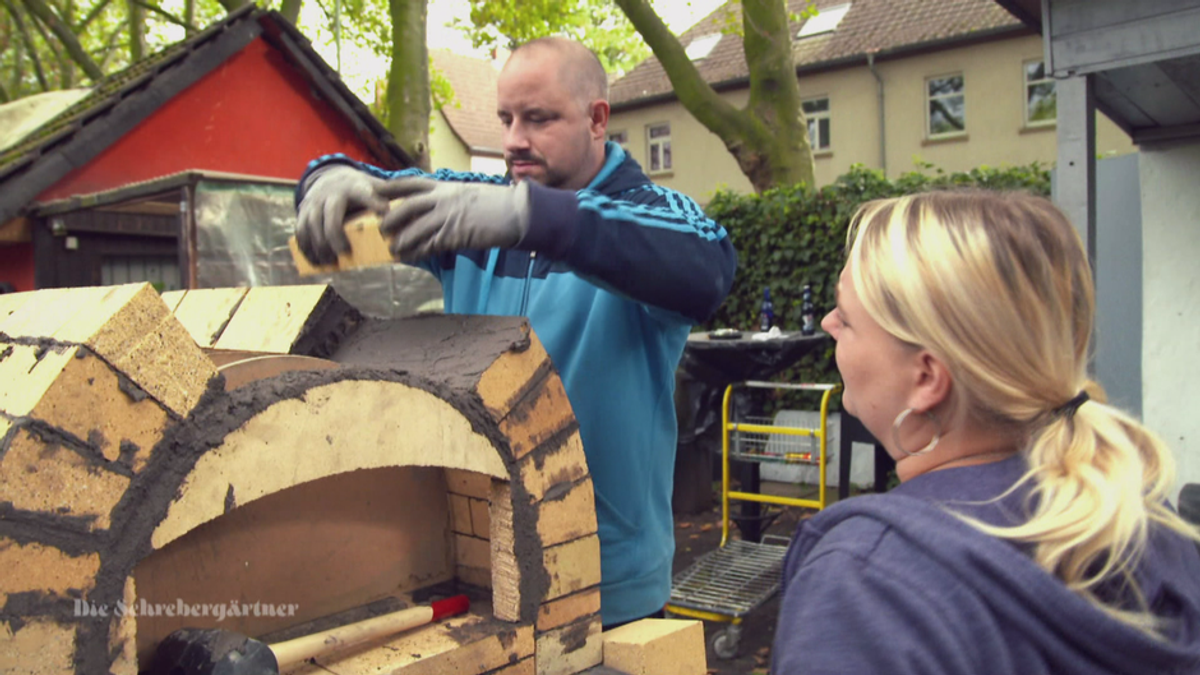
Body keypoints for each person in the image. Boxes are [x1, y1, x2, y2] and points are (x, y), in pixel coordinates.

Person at [293, 37, 737, 628]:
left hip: (610, 589)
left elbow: (708, 266)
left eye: (538, 118)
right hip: (478, 564)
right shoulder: (476, 210)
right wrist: (326, 179)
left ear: (597, 118)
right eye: (505, 118)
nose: (512, 141)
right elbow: (373, 181)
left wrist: (532, 219)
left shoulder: (654, 213)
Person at [771, 190, 1200, 674]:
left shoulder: (869, 584)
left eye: (846, 319)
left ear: (927, 379)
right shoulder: (1136, 510)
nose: (827, 323)